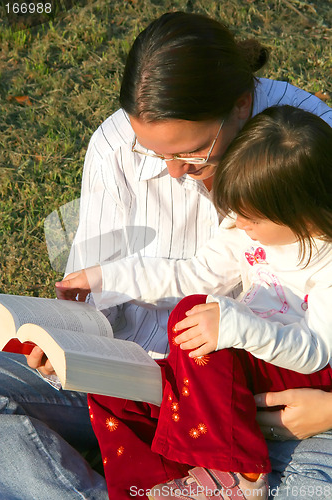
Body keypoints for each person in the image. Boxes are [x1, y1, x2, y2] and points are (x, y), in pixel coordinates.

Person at [0, 11, 331, 499]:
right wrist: (70, 334)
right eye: (156, 156)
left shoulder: (310, 143)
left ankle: (230, 474)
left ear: (242, 106)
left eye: (193, 154)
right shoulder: (115, 148)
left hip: (288, 399)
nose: (174, 173)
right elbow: (178, 275)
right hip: (150, 374)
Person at [88, 105, 332, 500]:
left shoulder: (326, 261)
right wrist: (105, 277)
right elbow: (190, 275)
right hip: (247, 358)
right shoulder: (245, 230)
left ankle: (239, 474)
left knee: (195, 319)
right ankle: (148, 487)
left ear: (300, 214)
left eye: (252, 217)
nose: (239, 222)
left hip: (302, 370)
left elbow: (315, 354)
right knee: (114, 390)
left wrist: (236, 326)